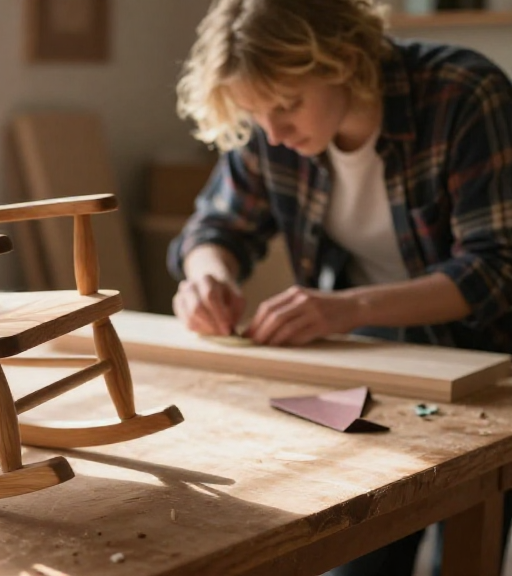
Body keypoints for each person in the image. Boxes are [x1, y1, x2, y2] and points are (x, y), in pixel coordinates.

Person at [168, 0, 512, 574]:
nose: (273, 134)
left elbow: (496, 269)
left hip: (488, 362)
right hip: (368, 358)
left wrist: (344, 309)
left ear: (345, 60)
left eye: (287, 106)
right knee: (361, 553)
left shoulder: (464, 93)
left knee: (466, 544)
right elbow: (214, 229)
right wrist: (208, 277)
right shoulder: (272, 127)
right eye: (257, 116)